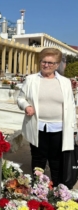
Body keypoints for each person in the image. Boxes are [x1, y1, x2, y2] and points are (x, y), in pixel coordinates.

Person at [17, 48, 77, 187]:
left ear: (57, 64)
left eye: (51, 63)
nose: (46, 65)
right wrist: (26, 106)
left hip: (59, 127)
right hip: (37, 125)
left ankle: (57, 187)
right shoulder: (31, 79)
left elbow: (71, 105)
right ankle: (38, 187)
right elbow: (20, 98)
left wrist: (73, 128)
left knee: (56, 160)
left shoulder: (65, 82)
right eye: (44, 62)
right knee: (38, 158)